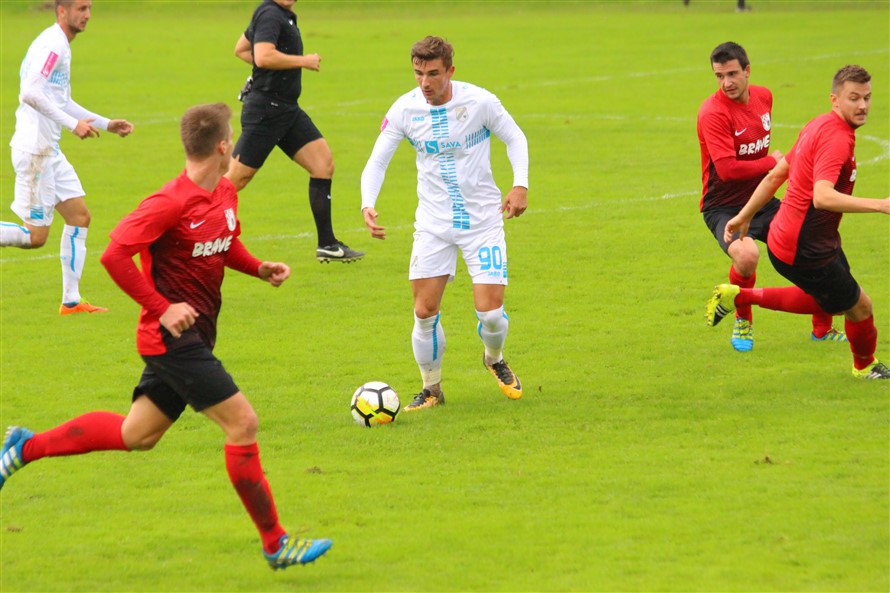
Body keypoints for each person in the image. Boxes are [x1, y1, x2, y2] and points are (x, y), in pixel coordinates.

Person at [0, 103, 333, 569]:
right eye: (233, 136)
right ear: (223, 146)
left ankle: (25, 446)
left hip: (196, 334)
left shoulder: (223, 192)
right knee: (243, 423)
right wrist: (163, 307)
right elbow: (114, 254)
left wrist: (258, 267)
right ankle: (276, 543)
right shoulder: (169, 202)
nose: (235, 143)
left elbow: (223, 242)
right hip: (171, 340)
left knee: (137, 434)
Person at [360, 36, 528, 411]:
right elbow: (377, 160)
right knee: (424, 311)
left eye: (433, 74)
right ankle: (432, 389)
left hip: (482, 221)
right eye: (418, 73)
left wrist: (520, 185)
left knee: (491, 314)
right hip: (433, 224)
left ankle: (494, 358)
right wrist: (367, 203)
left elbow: (515, 138)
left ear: (451, 71)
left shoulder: (480, 102)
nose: (425, 82)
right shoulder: (405, 109)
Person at [707, 65, 890, 380]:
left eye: (867, 98)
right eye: (854, 98)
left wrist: (745, 215)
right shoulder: (837, 139)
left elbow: (776, 175)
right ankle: (865, 367)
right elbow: (823, 196)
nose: (862, 105)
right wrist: (881, 205)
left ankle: (741, 297)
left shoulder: (818, 124)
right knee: (860, 307)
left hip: (802, 236)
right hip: (804, 245)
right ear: (835, 99)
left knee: (836, 301)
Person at [697, 41, 844, 352]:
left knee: (815, 241)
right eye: (719, 76)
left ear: (747, 70)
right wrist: (772, 162)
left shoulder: (764, 97)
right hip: (723, 206)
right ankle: (743, 320)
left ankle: (822, 329)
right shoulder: (713, 113)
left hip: (763, 200)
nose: (726, 82)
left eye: (732, 74)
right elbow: (727, 170)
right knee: (747, 256)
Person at [0, 0, 133, 315]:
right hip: (36, 151)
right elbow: (30, 93)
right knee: (35, 236)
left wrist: (107, 124)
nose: (87, 15)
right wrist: (73, 125)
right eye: (81, 9)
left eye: (89, 8)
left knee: (79, 217)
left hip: (50, 151)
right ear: (62, 11)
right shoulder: (53, 45)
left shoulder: (61, 44)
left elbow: (62, 100)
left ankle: (71, 302)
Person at [226, 0, 363, 263]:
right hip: (266, 111)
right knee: (235, 180)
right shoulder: (270, 14)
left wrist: (269, 69)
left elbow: (242, 49)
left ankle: (327, 244)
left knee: (322, 164)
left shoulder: (281, 14)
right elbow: (263, 56)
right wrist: (303, 61)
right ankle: (189, 223)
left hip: (287, 110)